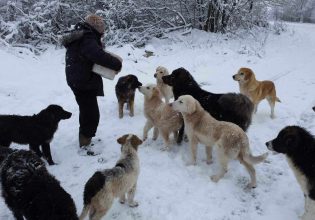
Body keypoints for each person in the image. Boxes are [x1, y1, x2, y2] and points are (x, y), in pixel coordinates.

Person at [63, 14, 122, 153]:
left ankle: (86, 138)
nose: (103, 32)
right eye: (102, 29)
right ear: (96, 27)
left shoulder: (82, 35)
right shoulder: (87, 37)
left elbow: (91, 53)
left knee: (87, 111)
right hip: (82, 81)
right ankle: (84, 144)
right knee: (90, 114)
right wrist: (116, 64)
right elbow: (97, 55)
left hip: (78, 79)